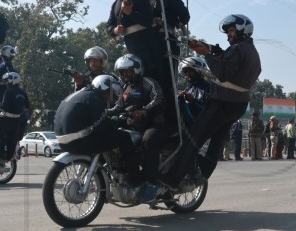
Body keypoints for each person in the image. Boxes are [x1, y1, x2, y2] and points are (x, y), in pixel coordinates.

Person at [166, 14, 262, 187]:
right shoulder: (252, 51)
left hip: (222, 102)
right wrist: (209, 48)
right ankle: (203, 174)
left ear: (243, 29)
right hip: (238, 104)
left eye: (232, 30)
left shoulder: (237, 49)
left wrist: (206, 55)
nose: (229, 35)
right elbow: (228, 58)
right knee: (217, 140)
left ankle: (171, 180)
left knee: (194, 138)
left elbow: (222, 72)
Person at [106, 54, 169, 203]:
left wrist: (145, 110)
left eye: (129, 71)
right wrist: (103, 113)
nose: (126, 74)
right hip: (133, 125)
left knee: (149, 140)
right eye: (123, 72)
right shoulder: (125, 88)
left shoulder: (148, 82)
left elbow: (158, 97)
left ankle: (152, 183)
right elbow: (118, 106)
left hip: (154, 125)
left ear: (137, 69)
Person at [55, 75, 141, 181]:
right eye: (109, 92)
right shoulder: (94, 98)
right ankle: (135, 178)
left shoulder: (80, 94)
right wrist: (116, 121)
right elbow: (102, 128)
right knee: (124, 137)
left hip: (62, 142)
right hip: (79, 142)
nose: (109, 97)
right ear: (103, 87)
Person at [104, 0, 162, 85]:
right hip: (130, 44)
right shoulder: (115, 4)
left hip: (147, 41)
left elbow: (147, 21)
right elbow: (109, 26)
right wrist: (115, 30)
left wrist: (130, 13)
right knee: (137, 76)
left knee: (154, 73)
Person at [177, 56, 212, 124]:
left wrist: (193, 101)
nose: (187, 74)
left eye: (190, 71)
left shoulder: (209, 88)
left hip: (202, 126)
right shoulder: (188, 90)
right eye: (185, 72)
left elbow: (208, 113)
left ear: (199, 70)